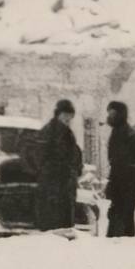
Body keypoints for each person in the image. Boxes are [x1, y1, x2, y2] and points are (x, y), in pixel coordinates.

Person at [34, 98, 81, 230]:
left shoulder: (66, 131)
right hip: (53, 184)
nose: (68, 118)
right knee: (53, 223)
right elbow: (41, 157)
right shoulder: (49, 132)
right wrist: (57, 171)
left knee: (64, 223)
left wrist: (76, 169)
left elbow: (74, 154)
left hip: (65, 183)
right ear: (58, 114)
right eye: (65, 115)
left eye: (70, 115)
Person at [104, 100, 135, 237]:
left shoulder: (126, 133)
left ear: (120, 114)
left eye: (113, 113)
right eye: (109, 113)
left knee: (122, 218)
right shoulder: (118, 131)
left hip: (126, 182)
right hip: (121, 181)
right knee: (119, 217)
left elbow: (129, 159)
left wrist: (116, 183)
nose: (109, 116)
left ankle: (122, 249)